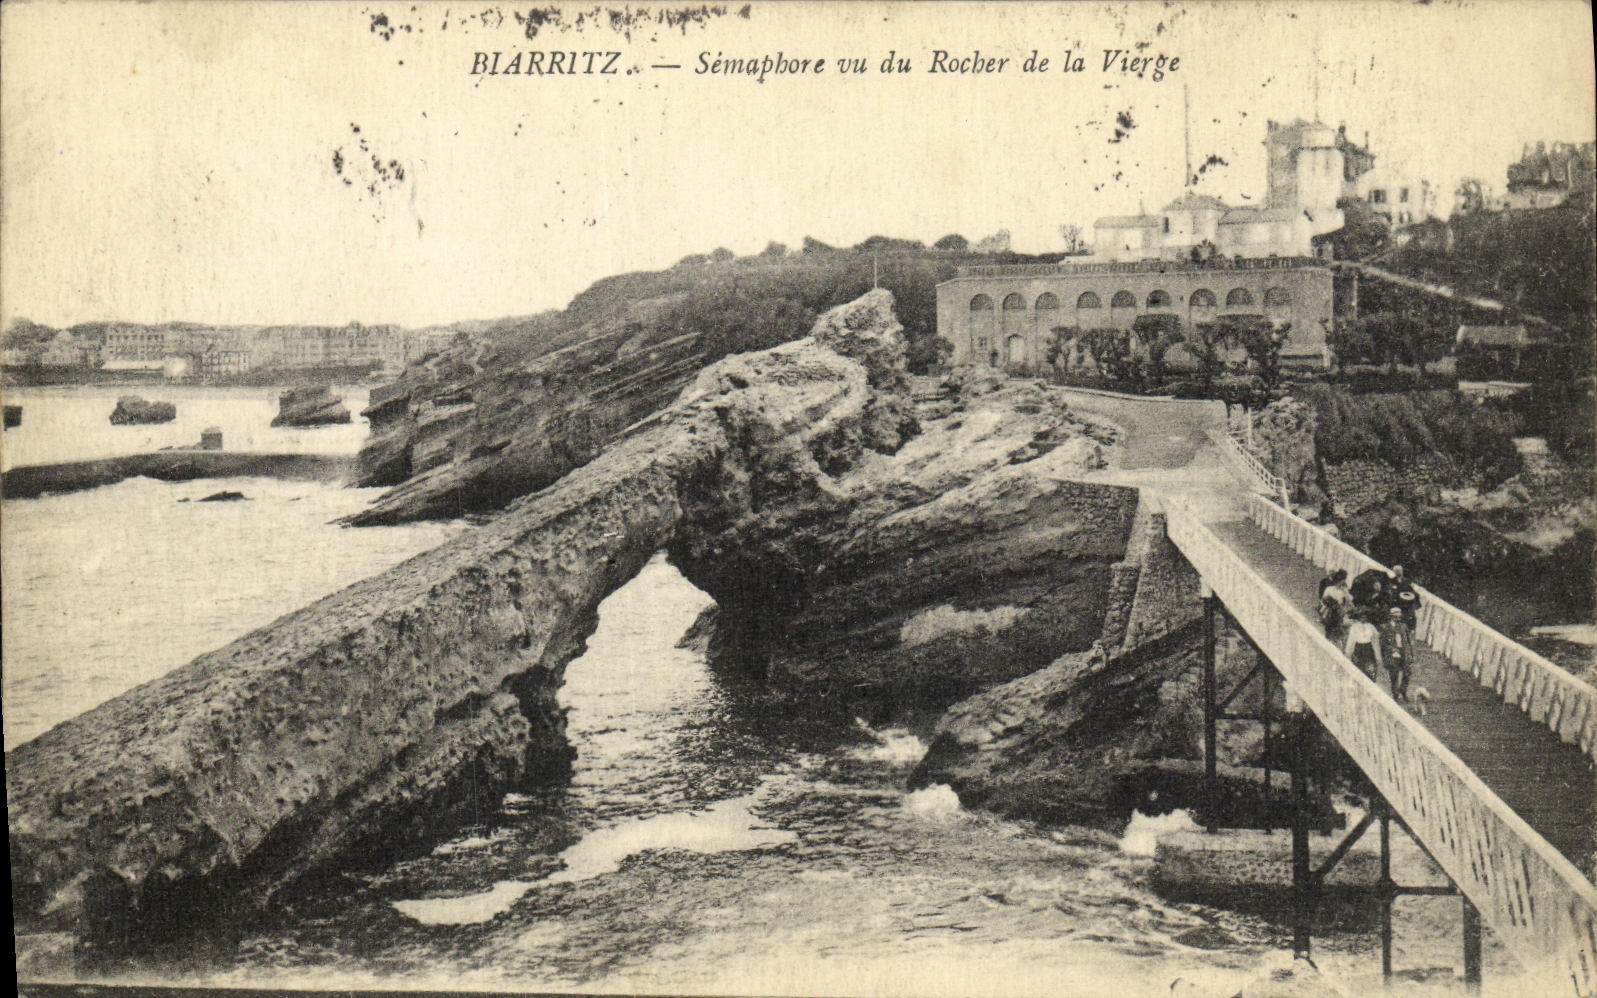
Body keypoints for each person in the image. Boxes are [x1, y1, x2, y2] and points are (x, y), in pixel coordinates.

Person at [1379, 605, 1415, 701]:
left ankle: (1403, 691)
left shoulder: (1403, 626)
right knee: (1394, 674)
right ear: (1391, 616)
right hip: (1392, 654)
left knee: (1407, 673)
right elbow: (1383, 643)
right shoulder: (1385, 628)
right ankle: (1395, 694)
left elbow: (1408, 641)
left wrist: (1410, 654)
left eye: (1399, 616)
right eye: (1395, 616)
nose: (1398, 618)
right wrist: (1392, 649)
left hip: (1403, 652)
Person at [1344, 608, 1383, 681]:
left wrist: (1378, 656)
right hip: (1358, 649)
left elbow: (1375, 640)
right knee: (1358, 669)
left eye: (1364, 616)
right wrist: (1348, 653)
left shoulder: (1370, 626)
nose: (1363, 618)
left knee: (1370, 670)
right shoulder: (1354, 627)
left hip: (1368, 649)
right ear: (1358, 617)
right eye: (1361, 616)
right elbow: (1351, 640)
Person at [1386, 564, 1422, 631]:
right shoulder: (1391, 582)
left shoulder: (1408, 582)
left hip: (1406, 606)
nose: (1398, 573)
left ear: (1402, 572)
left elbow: (1414, 596)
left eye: (1399, 571)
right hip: (1396, 606)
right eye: (1396, 571)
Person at [1318, 570, 1351, 639]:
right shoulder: (1329, 589)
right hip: (1330, 612)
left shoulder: (1343, 591)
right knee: (1330, 629)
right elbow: (1323, 601)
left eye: (1342, 582)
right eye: (1340, 582)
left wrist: (1345, 592)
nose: (1341, 584)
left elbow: (1349, 600)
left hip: (1339, 613)